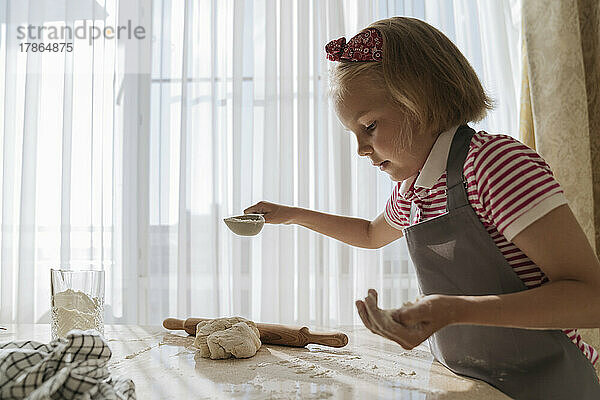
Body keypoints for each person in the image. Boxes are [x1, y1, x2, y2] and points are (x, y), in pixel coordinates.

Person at [244, 17, 600, 398]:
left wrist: (454, 310)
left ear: (421, 99)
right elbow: (369, 233)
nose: (362, 150)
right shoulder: (412, 190)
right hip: (472, 385)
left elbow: (591, 299)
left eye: (369, 126)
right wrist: (290, 215)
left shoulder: (493, 163)